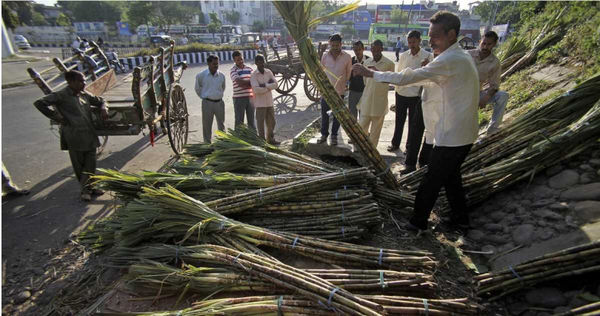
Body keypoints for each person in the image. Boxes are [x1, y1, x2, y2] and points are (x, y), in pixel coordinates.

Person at [353, 11, 479, 232]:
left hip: (453, 135)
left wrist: (372, 73)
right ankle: (461, 219)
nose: (430, 41)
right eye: (429, 36)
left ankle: (418, 222)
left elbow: (408, 77)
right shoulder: (456, 57)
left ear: (451, 34)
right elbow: (424, 81)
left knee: (431, 180)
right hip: (459, 133)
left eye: (435, 36)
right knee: (451, 178)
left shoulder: (451, 59)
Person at [33, 70, 109, 202]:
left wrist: (103, 108)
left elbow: (101, 100)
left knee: (91, 164)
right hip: (74, 136)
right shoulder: (61, 95)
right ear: (71, 82)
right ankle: (86, 190)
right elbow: (39, 103)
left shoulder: (84, 95)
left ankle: (91, 187)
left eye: (84, 80)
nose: (83, 83)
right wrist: (56, 117)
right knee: (79, 166)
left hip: (89, 134)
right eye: (80, 81)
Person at [388, 30, 433, 175]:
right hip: (401, 93)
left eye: (414, 42)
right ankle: (395, 143)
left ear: (420, 41)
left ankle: (409, 147)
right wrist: (396, 90)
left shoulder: (427, 56)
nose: (412, 45)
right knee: (399, 120)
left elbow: (429, 77)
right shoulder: (403, 56)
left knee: (414, 124)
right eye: (410, 42)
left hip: (416, 95)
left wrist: (426, 66)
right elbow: (399, 74)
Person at [468, 31, 509, 135]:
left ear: (494, 44)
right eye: (483, 43)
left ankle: (493, 129)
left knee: (503, 96)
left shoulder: (495, 62)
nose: (485, 47)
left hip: (476, 94)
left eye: (489, 44)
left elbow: (494, 85)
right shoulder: (467, 55)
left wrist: (486, 96)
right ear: (479, 42)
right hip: (460, 93)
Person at [356, 39, 395, 147]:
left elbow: (390, 80)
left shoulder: (389, 64)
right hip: (366, 101)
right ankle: (361, 150)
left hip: (379, 103)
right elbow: (365, 82)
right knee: (361, 128)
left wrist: (377, 71)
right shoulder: (367, 62)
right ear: (371, 50)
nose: (375, 52)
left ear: (382, 49)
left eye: (378, 50)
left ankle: (372, 154)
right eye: (373, 50)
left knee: (375, 133)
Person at [318, 33, 352, 146]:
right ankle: (324, 134)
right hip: (326, 92)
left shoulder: (347, 57)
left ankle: (334, 136)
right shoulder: (325, 56)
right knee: (325, 115)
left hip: (339, 92)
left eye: (337, 45)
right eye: (333, 45)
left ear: (341, 44)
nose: (335, 48)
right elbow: (322, 72)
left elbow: (348, 74)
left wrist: (345, 85)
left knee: (338, 116)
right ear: (330, 44)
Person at [195, 54, 226, 143]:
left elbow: (223, 87)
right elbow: (197, 88)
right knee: (207, 126)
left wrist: (217, 96)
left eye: (217, 64)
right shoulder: (201, 75)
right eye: (214, 64)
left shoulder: (221, 76)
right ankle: (207, 144)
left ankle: (222, 143)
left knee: (221, 125)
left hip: (219, 103)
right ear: (208, 64)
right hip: (207, 103)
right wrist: (205, 97)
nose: (216, 66)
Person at [250, 54, 280, 145]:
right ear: (256, 63)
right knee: (260, 124)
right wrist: (269, 87)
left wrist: (265, 85)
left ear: (264, 62)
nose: (261, 64)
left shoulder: (269, 72)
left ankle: (270, 139)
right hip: (260, 103)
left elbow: (276, 84)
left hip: (269, 102)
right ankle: (262, 142)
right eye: (259, 62)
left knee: (272, 122)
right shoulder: (254, 75)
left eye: (262, 62)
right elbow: (256, 90)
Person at [230, 50, 255, 130]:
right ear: (234, 60)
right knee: (239, 122)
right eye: (238, 60)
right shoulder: (233, 70)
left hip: (251, 98)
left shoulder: (249, 69)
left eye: (241, 59)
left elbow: (255, 81)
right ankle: (238, 139)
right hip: (239, 98)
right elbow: (239, 82)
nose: (240, 61)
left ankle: (253, 138)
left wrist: (246, 83)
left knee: (251, 121)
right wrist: (250, 83)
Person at [348, 40, 370, 121]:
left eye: (359, 49)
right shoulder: (351, 60)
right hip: (353, 91)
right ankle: (354, 132)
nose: (357, 52)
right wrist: (352, 76)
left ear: (363, 49)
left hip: (365, 91)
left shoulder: (369, 61)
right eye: (355, 50)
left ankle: (362, 132)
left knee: (363, 114)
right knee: (352, 114)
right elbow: (347, 76)